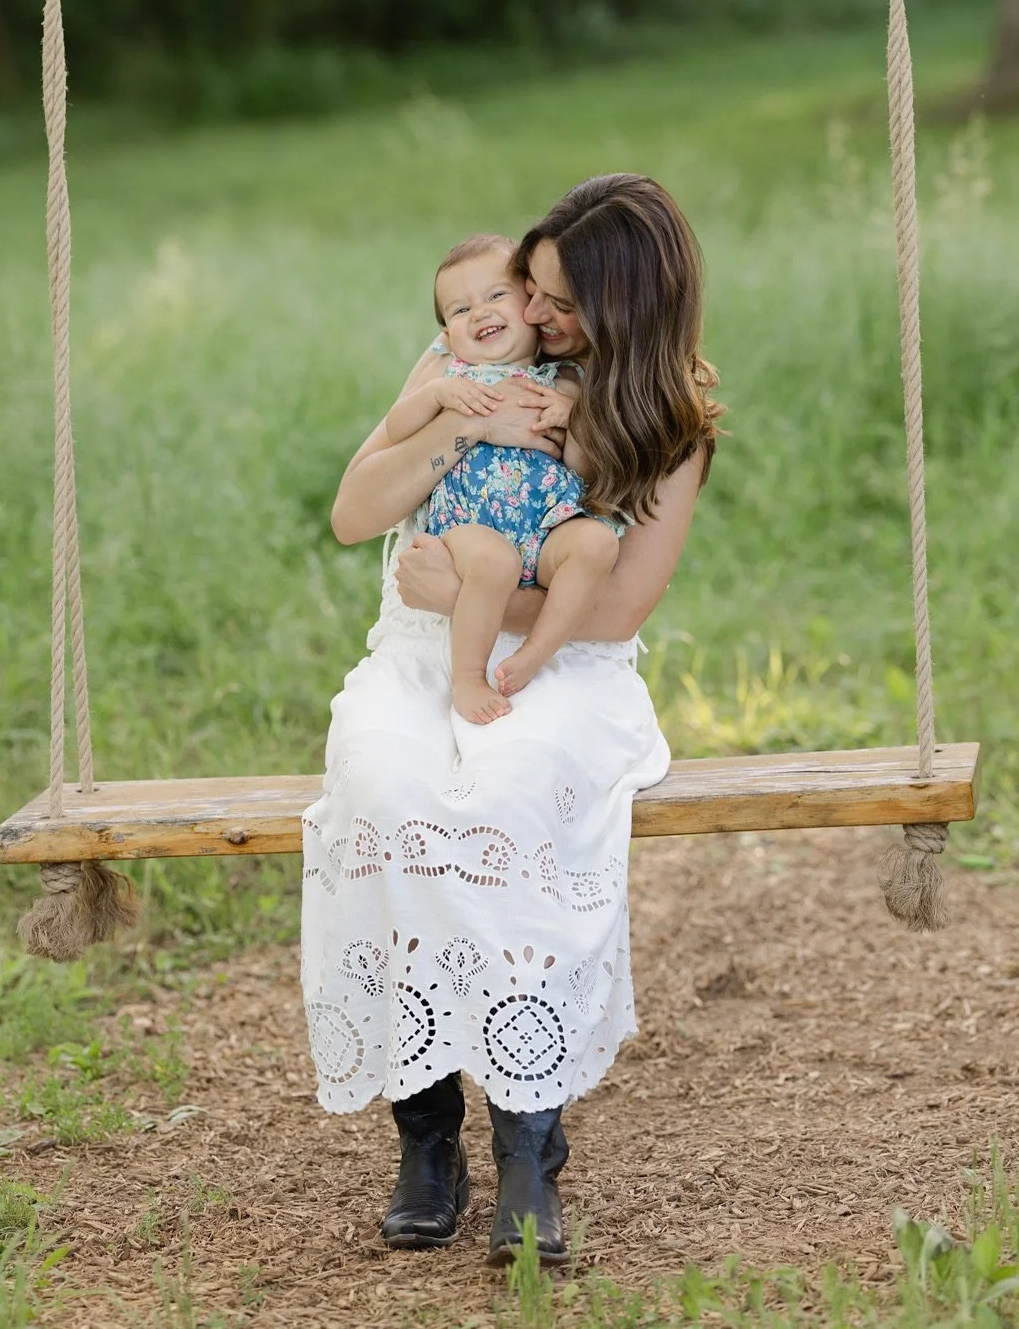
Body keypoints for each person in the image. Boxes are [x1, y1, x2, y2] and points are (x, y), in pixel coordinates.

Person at [301, 173, 721, 1268]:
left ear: (627, 310)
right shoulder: (466, 360)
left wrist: (479, 605)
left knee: (512, 791)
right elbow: (355, 516)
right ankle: (425, 1133)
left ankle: (528, 1139)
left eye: (559, 304)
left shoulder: (667, 418)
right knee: (389, 786)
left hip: (565, 663)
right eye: (531, 289)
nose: (530, 316)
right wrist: (461, 424)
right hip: (418, 654)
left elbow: (619, 604)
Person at [382, 232, 625, 725]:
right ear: (448, 336)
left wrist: (573, 418)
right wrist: (435, 400)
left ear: (532, 311)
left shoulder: (567, 380)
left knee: (598, 545)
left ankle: (534, 654)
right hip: (471, 527)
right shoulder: (450, 375)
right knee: (494, 561)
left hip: (546, 527)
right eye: (459, 309)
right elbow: (395, 428)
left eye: (496, 296)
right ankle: (468, 679)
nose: (480, 313)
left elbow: (583, 467)